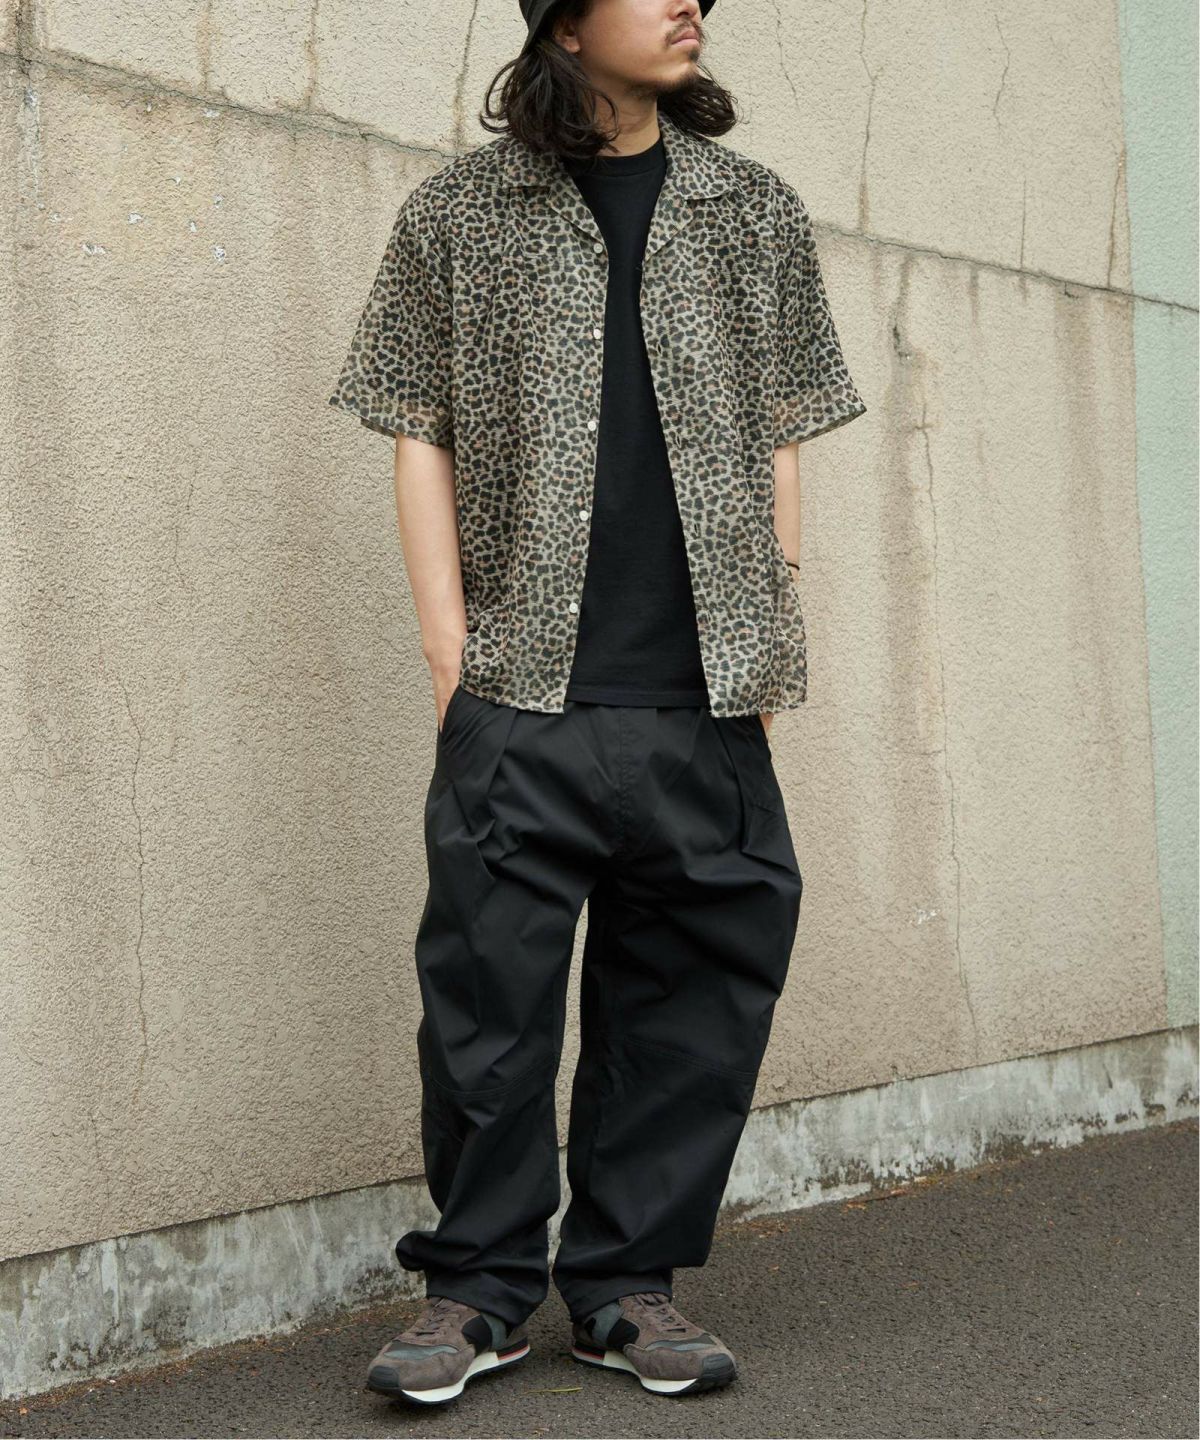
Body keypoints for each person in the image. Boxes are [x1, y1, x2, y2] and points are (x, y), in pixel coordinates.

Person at [328, 0, 867, 1407]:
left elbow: (782, 433)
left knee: (690, 1007)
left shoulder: (755, 212)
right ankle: (477, 1291)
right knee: (485, 1013)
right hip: (523, 691)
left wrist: (769, 620)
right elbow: (418, 431)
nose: (690, 4)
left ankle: (627, 1286)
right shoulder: (460, 215)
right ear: (563, 22)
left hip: (706, 699)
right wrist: (450, 658)